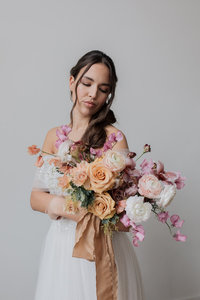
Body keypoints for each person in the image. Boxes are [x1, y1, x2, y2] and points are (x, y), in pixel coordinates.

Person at [30, 50, 144, 300]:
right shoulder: (53, 136)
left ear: (109, 95)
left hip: (102, 247)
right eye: (87, 83)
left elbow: (123, 212)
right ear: (72, 82)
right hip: (61, 248)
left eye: (103, 89)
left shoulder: (115, 139)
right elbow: (36, 197)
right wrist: (63, 205)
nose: (93, 94)